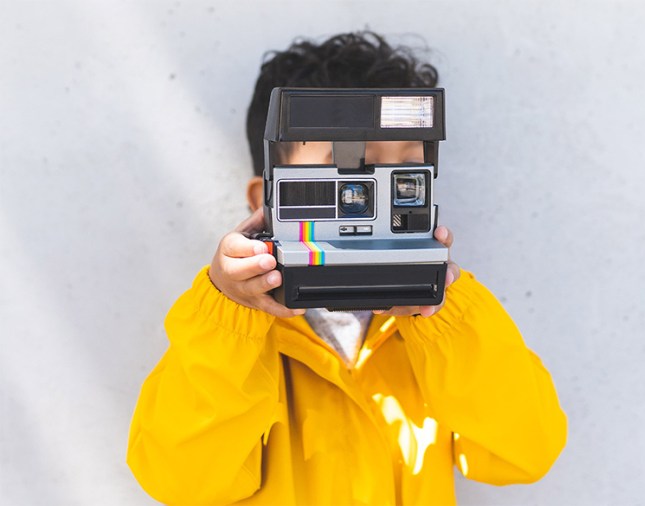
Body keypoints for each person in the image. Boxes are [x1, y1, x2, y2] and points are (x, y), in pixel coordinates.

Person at [127, 31, 567, 505]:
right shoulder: (237, 342)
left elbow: (527, 450)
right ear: (269, 199)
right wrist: (228, 311)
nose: (371, 193)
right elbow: (182, 482)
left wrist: (446, 313)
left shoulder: (431, 336)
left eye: (403, 176)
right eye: (354, 171)